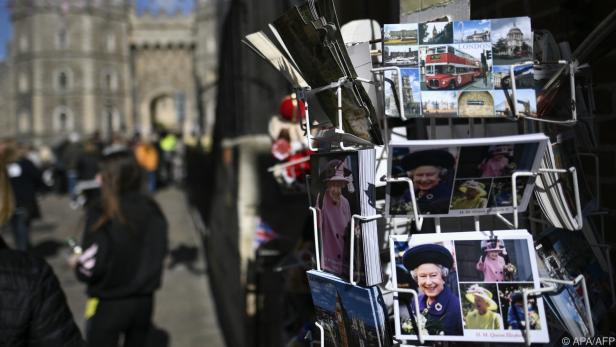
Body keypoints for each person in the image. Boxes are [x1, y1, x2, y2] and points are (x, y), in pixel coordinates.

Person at [70, 149, 168, 347]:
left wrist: (77, 263)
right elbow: (159, 252)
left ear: (112, 178)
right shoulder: (153, 209)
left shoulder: (102, 213)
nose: (97, 179)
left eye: (102, 174)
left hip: (108, 302)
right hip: (144, 302)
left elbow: (91, 268)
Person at [0, 147, 84, 346]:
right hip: (23, 206)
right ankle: (22, 251)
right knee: (22, 233)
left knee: (21, 232)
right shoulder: (32, 276)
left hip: (21, 206)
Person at [401, 243, 463, 335]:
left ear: (443, 276)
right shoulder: (416, 302)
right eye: (422, 276)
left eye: (433, 275)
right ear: (416, 279)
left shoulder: (456, 307)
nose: (428, 282)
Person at [4, 142, 44, 250]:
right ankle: (23, 252)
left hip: (12, 202)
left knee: (17, 229)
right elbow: (38, 177)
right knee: (22, 228)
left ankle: (22, 250)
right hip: (23, 201)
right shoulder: (25, 163)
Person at [316, 159, 352, 276]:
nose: (336, 189)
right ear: (327, 184)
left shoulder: (345, 202)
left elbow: (349, 226)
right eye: (333, 184)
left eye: (339, 185)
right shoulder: (322, 198)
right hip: (329, 261)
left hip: (345, 259)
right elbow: (317, 226)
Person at [400, 149, 455, 214]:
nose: (424, 179)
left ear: (440, 175)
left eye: (430, 175)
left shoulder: (447, 195)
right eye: (419, 175)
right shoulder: (408, 193)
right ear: (412, 176)